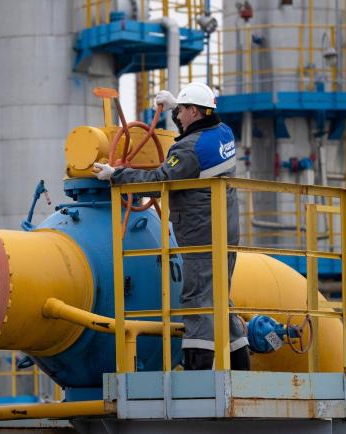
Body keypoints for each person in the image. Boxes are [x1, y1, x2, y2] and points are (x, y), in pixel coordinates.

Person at [93, 82, 250, 371]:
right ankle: (241, 367)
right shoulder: (224, 133)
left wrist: (117, 175)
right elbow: (198, 129)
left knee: (197, 301)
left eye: (182, 110)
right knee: (219, 299)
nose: (178, 115)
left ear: (194, 111)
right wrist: (177, 101)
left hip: (202, 236)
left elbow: (159, 181)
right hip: (225, 232)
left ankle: (198, 374)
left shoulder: (188, 149)